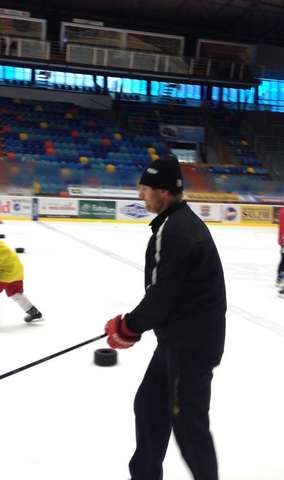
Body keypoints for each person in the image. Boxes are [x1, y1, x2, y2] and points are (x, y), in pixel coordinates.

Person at [104, 155, 227, 480]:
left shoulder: (174, 230)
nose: (140, 195)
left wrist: (128, 326)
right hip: (178, 339)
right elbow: (169, 294)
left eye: (145, 189)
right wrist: (134, 326)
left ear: (163, 191)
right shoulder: (176, 223)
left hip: (189, 345)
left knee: (188, 424)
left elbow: (162, 294)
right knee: (149, 406)